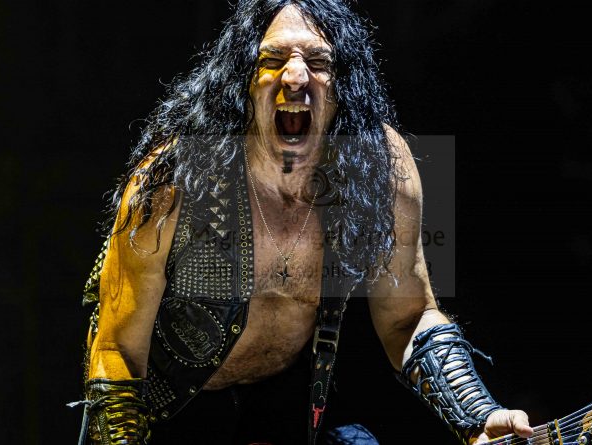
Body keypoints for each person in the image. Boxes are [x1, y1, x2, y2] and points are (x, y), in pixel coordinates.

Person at [74, 1, 534, 444]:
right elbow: (117, 352)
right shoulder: (176, 179)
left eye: (318, 62)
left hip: (287, 403)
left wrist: (477, 416)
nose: (295, 78)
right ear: (244, 81)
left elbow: (409, 318)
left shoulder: (379, 168)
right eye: (273, 60)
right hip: (170, 413)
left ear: (342, 88)